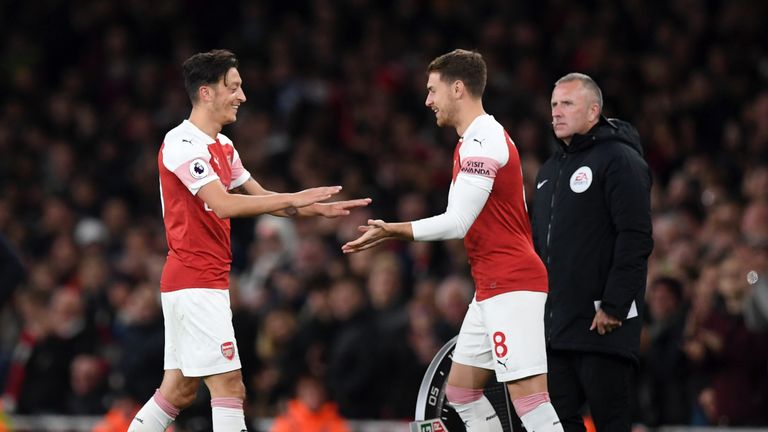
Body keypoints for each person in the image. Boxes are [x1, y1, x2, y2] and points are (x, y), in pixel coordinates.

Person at [129, 49, 370, 432]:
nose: (242, 96)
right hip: (194, 280)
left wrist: (315, 210)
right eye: (234, 87)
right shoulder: (181, 144)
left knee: (177, 392)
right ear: (206, 93)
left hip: (197, 282)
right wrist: (293, 199)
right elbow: (224, 205)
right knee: (229, 385)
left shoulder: (224, 147)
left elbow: (260, 197)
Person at [343, 49, 562, 432]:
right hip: (491, 286)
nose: (428, 100)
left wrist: (393, 229)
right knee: (462, 393)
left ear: (457, 88)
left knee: (530, 399)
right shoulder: (472, 140)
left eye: (433, 90)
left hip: (511, 283)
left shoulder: (483, 141)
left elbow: (458, 222)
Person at [530, 73, 653, 432]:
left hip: (603, 326)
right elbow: (541, 247)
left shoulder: (619, 159)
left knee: (611, 423)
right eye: (553, 104)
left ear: (593, 110)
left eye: (567, 104)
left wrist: (615, 304)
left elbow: (636, 237)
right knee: (557, 422)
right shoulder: (548, 171)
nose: (556, 112)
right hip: (557, 328)